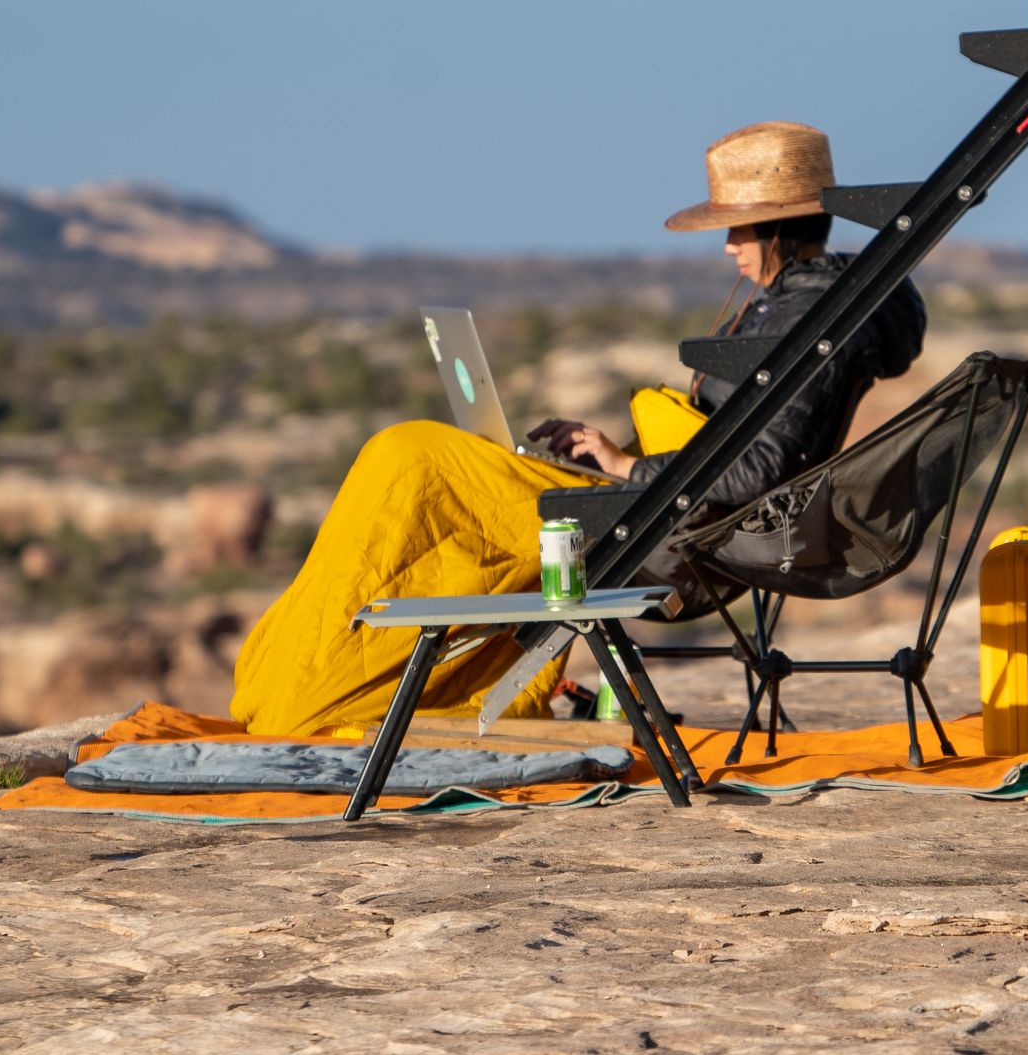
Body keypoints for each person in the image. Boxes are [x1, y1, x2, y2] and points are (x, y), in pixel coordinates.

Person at [227, 120, 926, 738]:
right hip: (666, 509)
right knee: (422, 459)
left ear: (779, 227)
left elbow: (751, 476)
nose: (728, 249)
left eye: (737, 230)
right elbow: (739, 454)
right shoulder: (805, 308)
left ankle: (314, 682)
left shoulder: (806, 320)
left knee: (411, 459)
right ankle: (328, 673)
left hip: (678, 533)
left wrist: (623, 471)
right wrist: (610, 457)